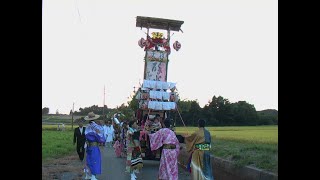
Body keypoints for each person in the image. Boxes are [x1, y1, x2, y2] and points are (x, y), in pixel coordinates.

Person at [84, 112, 106, 180]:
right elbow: (101, 137)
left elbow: (86, 136)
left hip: (88, 146)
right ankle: (93, 176)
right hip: (94, 146)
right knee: (95, 160)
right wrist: (101, 139)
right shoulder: (96, 126)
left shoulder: (87, 126)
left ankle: (87, 174)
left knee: (89, 160)